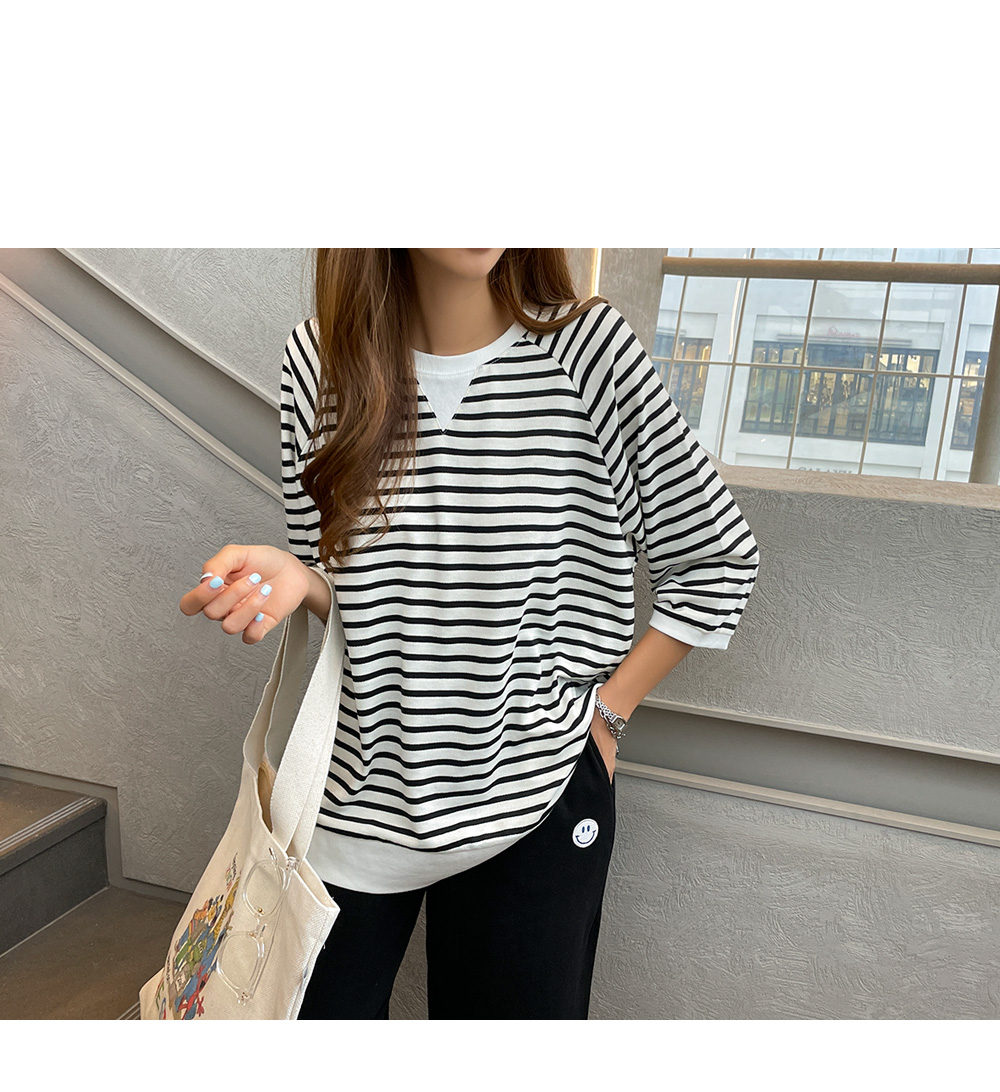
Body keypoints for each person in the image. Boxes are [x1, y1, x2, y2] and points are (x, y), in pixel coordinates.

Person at [181, 248, 760, 1019]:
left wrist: (609, 717)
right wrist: (304, 581)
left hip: (537, 799)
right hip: (355, 801)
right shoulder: (314, 363)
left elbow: (717, 557)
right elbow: (363, 601)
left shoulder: (589, 353)